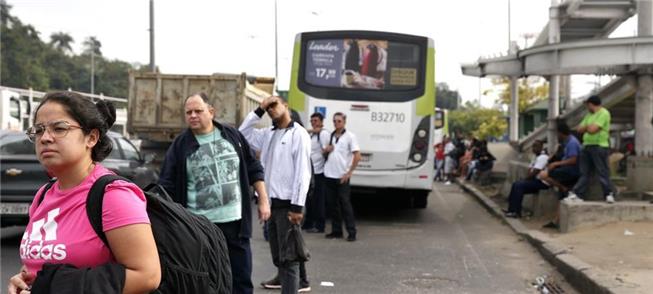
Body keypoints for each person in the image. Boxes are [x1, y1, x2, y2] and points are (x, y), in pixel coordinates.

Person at [8, 91, 160, 294]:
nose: (45, 138)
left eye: (59, 128)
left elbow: (147, 276)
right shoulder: (43, 195)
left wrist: (54, 288)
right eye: (38, 130)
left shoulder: (113, 195)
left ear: (91, 137)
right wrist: (22, 280)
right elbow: (41, 267)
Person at [158, 93, 270, 294]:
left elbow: (253, 168)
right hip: (200, 227)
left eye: (198, 111)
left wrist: (263, 200)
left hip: (235, 224)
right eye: (188, 112)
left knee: (241, 279)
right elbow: (166, 185)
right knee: (205, 280)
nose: (193, 115)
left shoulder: (232, 136)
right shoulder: (180, 145)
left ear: (211, 112)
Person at [239, 96, 312, 294]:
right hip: (270, 205)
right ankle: (297, 282)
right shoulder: (268, 134)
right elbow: (242, 134)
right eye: (268, 108)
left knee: (289, 259)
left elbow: (302, 173)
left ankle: (293, 287)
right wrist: (259, 110)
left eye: (274, 105)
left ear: (286, 106)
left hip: (288, 205)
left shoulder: (298, 134)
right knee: (280, 254)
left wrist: (297, 207)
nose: (271, 109)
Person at [566, 95, 616, 204]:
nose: (587, 107)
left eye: (588, 105)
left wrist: (588, 127)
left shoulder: (604, 113)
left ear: (591, 104)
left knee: (602, 171)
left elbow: (592, 129)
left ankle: (608, 194)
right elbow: (579, 129)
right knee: (584, 172)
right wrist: (588, 127)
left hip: (599, 146)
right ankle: (578, 194)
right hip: (587, 145)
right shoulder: (589, 115)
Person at [323, 112, 361, 242]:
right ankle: (336, 230)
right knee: (332, 205)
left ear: (344, 122)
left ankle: (351, 232)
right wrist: (326, 150)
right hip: (329, 174)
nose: (336, 123)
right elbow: (325, 152)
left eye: (339, 121)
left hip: (341, 176)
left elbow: (357, 156)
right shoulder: (331, 135)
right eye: (334, 121)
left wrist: (349, 172)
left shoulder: (350, 136)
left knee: (345, 204)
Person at [538, 121, 583, 228]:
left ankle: (563, 187)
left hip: (572, 170)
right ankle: (556, 220)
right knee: (561, 198)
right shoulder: (565, 142)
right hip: (565, 169)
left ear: (561, 133)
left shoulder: (572, 142)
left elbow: (573, 160)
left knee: (543, 175)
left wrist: (557, 164)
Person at [503, 140, 549, 218]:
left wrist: (526, 179)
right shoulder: (535, 157)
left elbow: (534, 172)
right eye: (533, 146)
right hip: (535, 180)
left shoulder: (543, 157)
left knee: (519, 185)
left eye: (536, 146)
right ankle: (511, 210)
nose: (534, 148)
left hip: (542, 182)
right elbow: (529, 171)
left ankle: (516, 212)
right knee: (516, 184)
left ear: (541, 147)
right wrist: (528, 176)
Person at [303, 112, 330, 233]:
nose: (314, 123)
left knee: (318, 199)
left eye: (316, 121)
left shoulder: (323, 134)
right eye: (312, 121)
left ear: (321, 121)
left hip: (319, 172)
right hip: (310, 171)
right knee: (309, 199)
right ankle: (308, 223)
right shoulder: (312, 134)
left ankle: (320, 225)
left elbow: (326, 150)